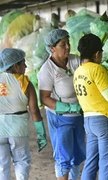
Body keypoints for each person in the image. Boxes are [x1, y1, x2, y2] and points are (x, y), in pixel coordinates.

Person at [73, 33, 108, 180]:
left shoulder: (78, 71)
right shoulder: (97, 69)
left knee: (91, 163)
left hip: (89, 121)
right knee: (106, 164)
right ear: (97, 53)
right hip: (105, 120)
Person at [37, 29, 85, 180]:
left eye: (68, 43)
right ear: (52, 48)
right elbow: (44, 98)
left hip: (79, 116)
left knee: (78, 154)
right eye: (63, 44)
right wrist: (68, 108)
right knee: (63, 156)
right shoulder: (47, 70)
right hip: (60, 118)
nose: (68, 47)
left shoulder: (75, 60)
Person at [0, 48, 47, 180]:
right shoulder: (25, 83)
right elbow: (34, 110)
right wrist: (41, 133)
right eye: (23, 63)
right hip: (18, 128)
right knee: (21, 162)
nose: (25, 66)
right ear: (15, 65)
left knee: (2, 165)